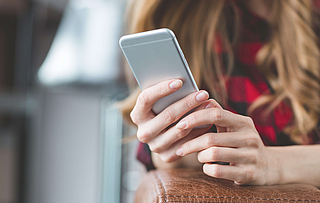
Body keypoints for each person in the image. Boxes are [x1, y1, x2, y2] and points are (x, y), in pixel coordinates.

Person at [120, 0, 320, 187]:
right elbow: (167, 165)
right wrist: (173, 152)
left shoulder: (312, 16)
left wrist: (273, 164)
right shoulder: (181, 14)